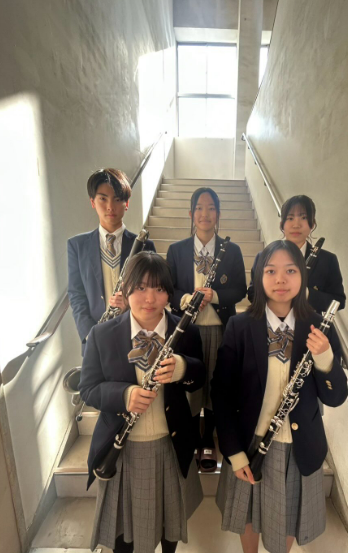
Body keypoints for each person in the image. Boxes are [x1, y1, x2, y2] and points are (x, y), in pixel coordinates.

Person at [212, 240, 348, 553]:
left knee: (287, 518)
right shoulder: (239, 325)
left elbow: (336, 397)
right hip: (250, 441)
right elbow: (221, 393)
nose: (280, 279)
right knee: (248, 515)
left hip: (299, 446)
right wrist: (233, 451)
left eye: (290, 271)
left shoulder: (320, 326)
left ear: (303, 276)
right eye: (271, 271)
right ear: (259, 277)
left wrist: (325, 357)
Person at [79, 251, 205, 553]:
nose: (150, 298)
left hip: (169, 444)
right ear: (125, 289)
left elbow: (200, 376)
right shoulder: (101, 334)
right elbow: (88, 389)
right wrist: (124, 395)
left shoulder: (186, 331)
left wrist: (182, 368)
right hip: (123, 450)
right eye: (140, 287)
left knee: (168, 528)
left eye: (159, 288)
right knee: (124, 535)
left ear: (169, 293)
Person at [166, 187, 246, 472]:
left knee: (216, 384)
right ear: (191, 213)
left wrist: (216, 296)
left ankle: (207, 438)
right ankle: (190, 437)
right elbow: (168, 289)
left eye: (211, 208)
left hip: (219, 330)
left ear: (218, 214)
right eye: (199, 208)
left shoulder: (231, 251)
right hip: (188, 332)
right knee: (189, 384)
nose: (205, 213)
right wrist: (186, 299)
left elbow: (241, 289)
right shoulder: (176, 250)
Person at [67, 168, 156, 353]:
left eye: (117, 199)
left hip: (135, 335)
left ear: (126, 203)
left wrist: (130, 304)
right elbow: (76, 295)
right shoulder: (77, 246)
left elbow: (152, 292)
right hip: (95, 339)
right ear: (92, 202)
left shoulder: (145, 246)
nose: (110, 207)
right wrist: (90, 334)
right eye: (103, 198)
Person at [247, 195, 346, 313]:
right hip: (272, 322)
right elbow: (252, 293)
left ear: (312, 224)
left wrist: (306, 294)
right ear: (282, 224)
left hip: (310, 323)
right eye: (290, 218)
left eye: (304, 217)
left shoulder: (328, 260)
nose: (296, 225)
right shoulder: (263, 257)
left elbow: (339, 301)